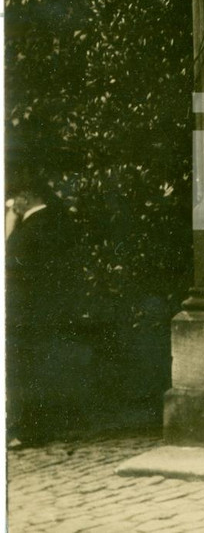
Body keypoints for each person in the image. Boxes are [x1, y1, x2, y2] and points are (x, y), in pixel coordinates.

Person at [6, 170, 79, 447]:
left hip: (27, 311)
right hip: (49, 309)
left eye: (14, 199)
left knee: (25, 369)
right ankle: (38, 426)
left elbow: (9, 265)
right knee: (42, 368)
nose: (12, 204)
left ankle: (29, 430)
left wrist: (10, 224)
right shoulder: (57, 220)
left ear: (26, 197)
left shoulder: (29, 229)